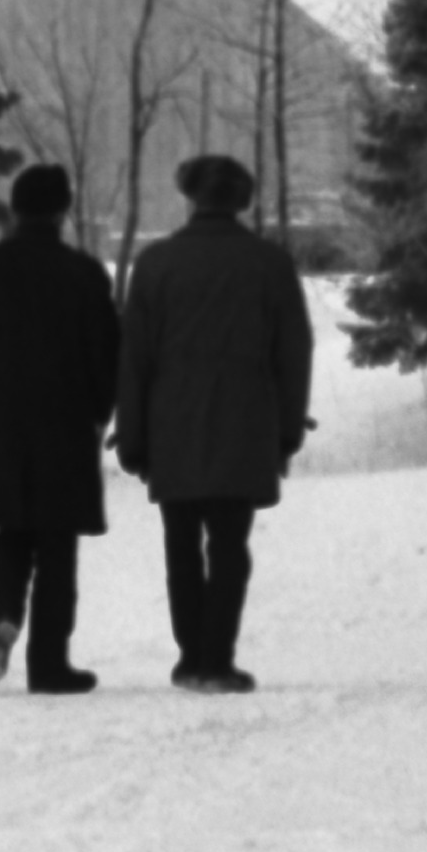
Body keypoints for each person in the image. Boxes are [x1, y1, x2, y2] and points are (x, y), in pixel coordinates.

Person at [116, 153, 315, 694]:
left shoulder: (155, 264)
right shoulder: (269, 264)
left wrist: (132, 439)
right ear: (241, 200)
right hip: (245, 427)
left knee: (180, 546)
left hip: (171, 428)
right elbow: (293, 353)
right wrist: (286, 432)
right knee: (229, 547)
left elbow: (134, 358)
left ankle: (190, 657)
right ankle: (216, 660)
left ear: (191, 198)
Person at [0, 163, 123, 695]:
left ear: (14, 209)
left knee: (11, 533)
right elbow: (108, 356)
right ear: (63, 211)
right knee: (57, 545)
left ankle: (3, 617)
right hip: (64, 427)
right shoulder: (85, 275)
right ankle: (49, 664)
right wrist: (96, 410)